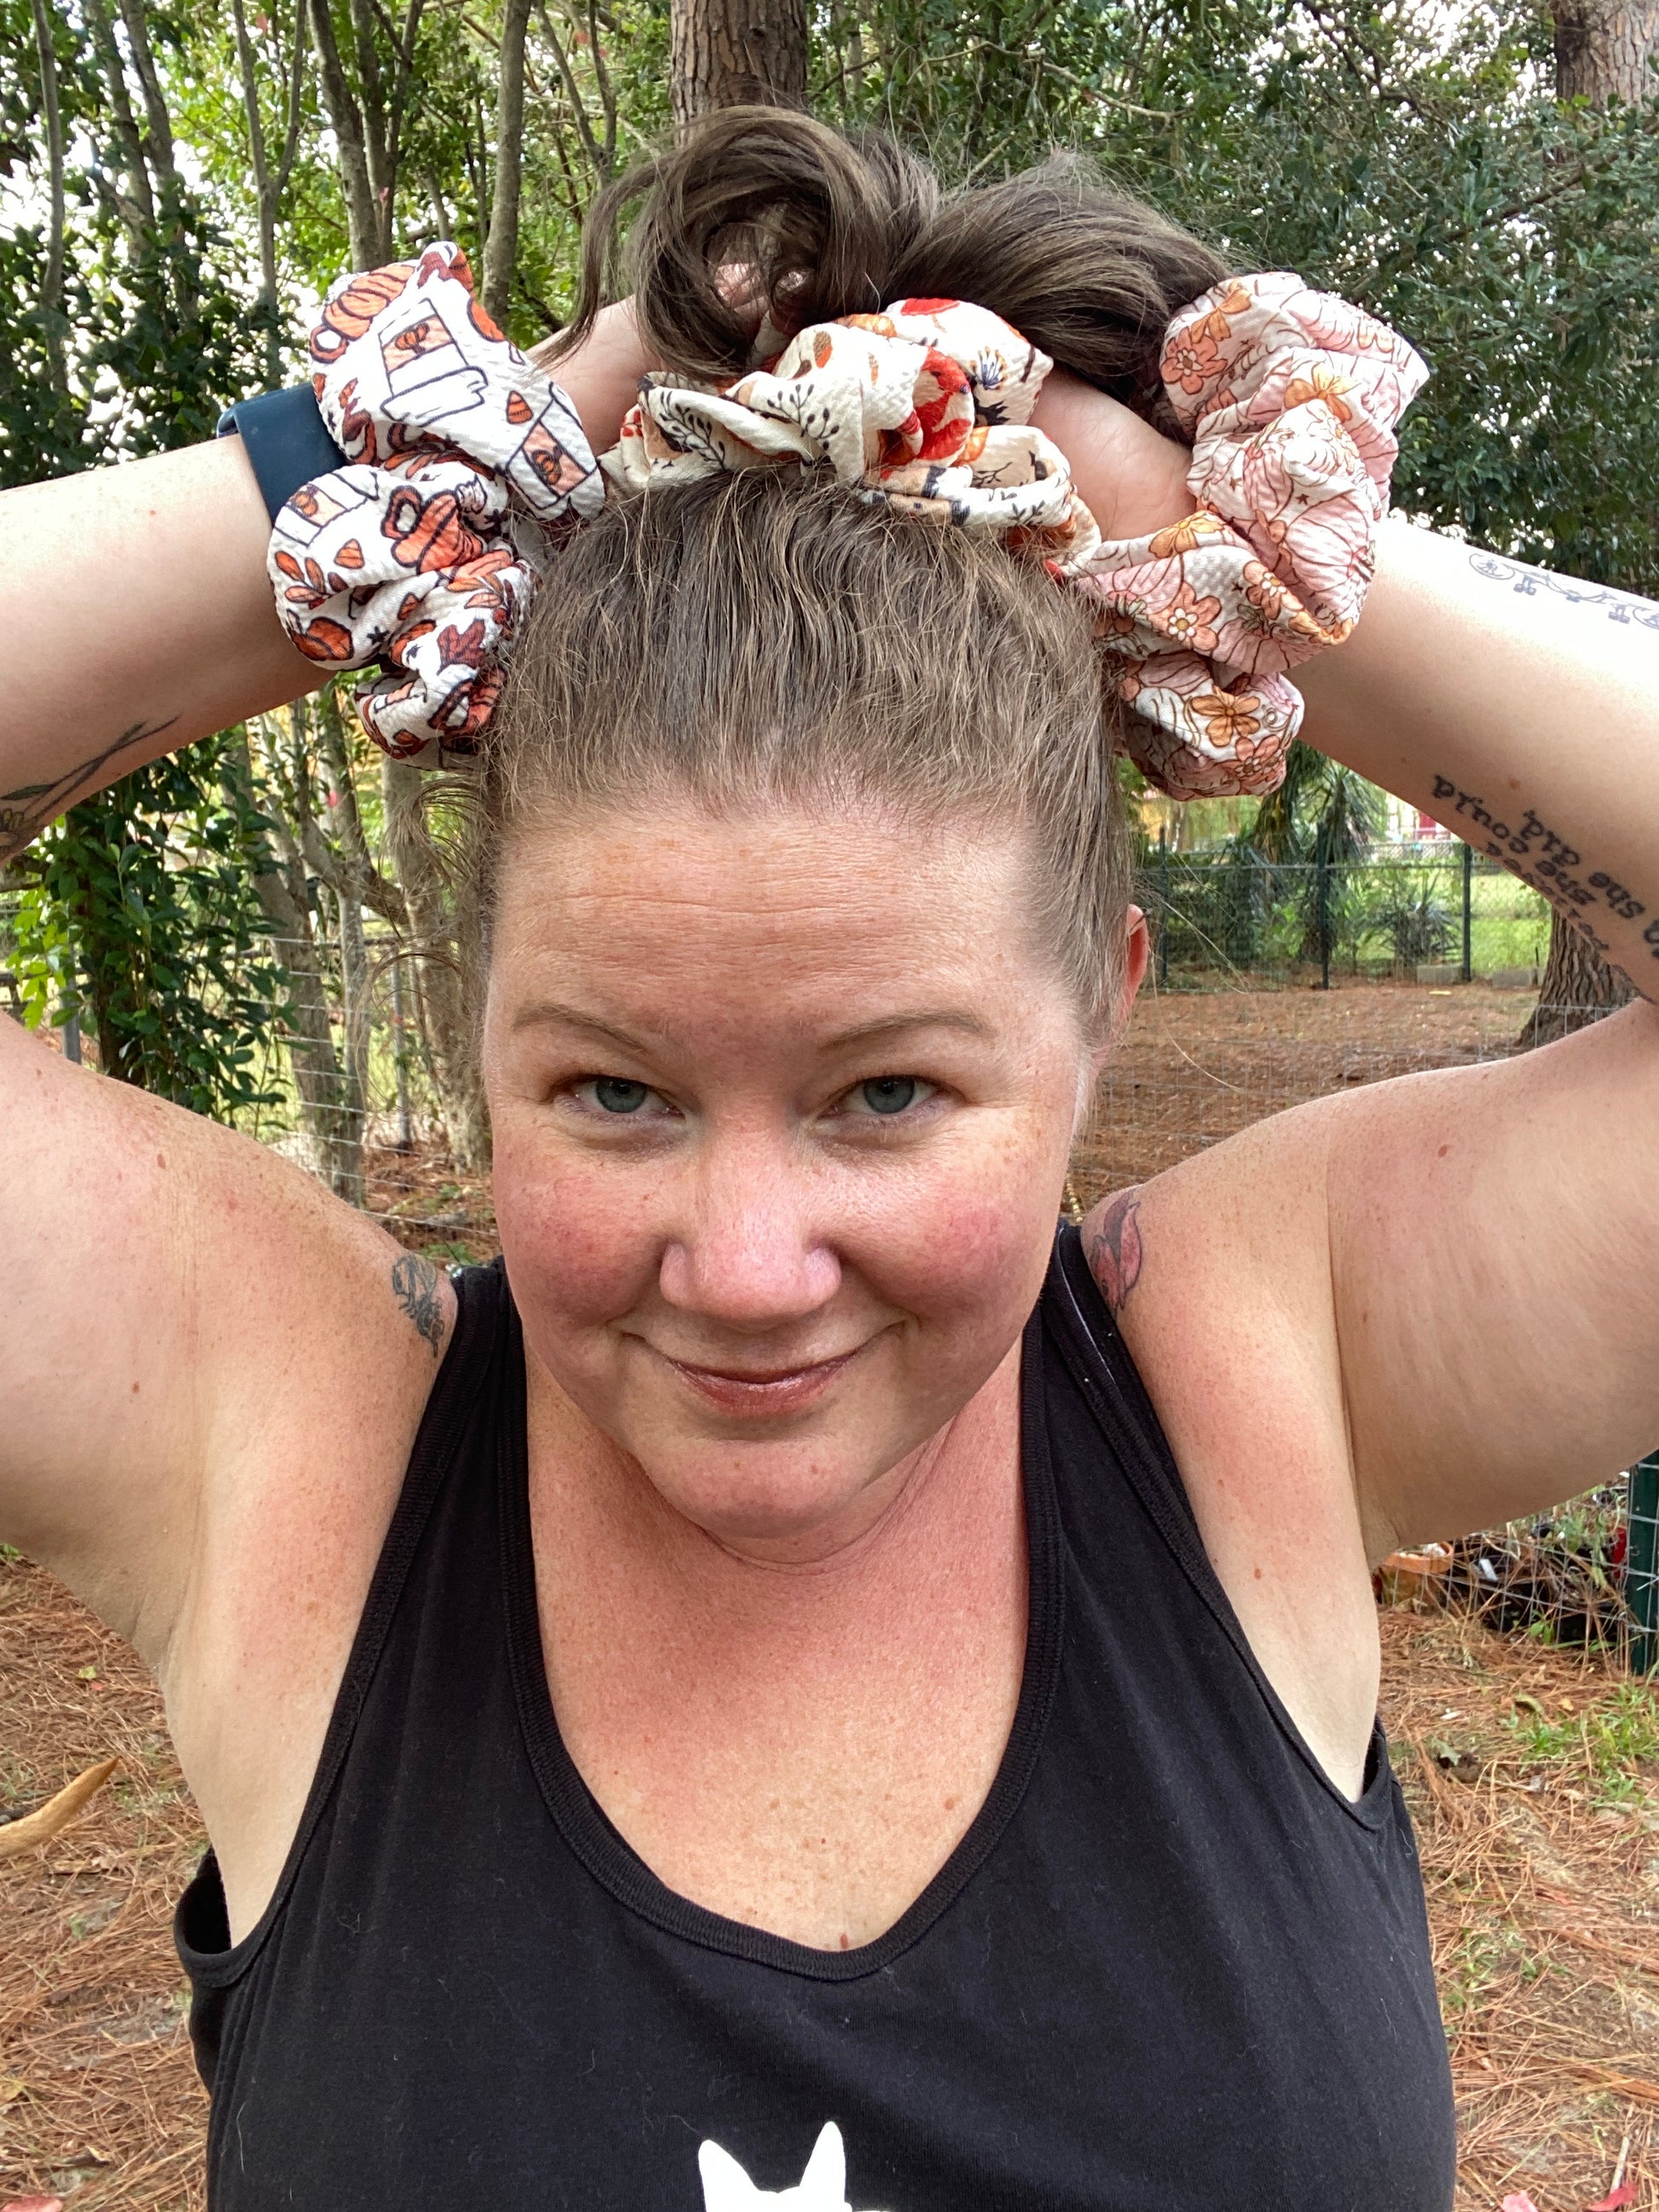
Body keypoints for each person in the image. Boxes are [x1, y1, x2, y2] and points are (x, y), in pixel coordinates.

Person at [1, 106, 1656, 2212]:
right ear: (479, 1012)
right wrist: (457, 454)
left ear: (1100, 1004)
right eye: (614, 1092)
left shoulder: (1265, 1372)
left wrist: (1234, 537)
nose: (747, 1266)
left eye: (886, 1095)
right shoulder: (296, 1448)